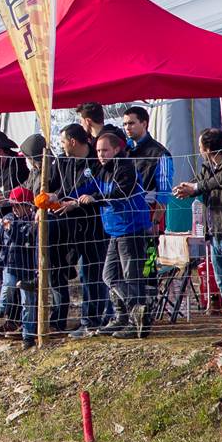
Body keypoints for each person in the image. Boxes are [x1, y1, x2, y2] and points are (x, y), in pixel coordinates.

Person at [70, 126, 151, 336]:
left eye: (104, 150)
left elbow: (121, 192)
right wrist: (66, 197)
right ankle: (121, 316)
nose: (100, 155)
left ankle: (137, 319)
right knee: (110, 275)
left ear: (116, 150)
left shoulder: (126, 168)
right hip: (115, 230)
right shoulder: (102, 169)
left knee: (132, 277)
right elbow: (88, 187)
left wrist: (95, 199)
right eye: (98, 151)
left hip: (131, 228)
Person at [175, 128, 222, 310]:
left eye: (201, 146)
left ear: (208, 148)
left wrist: (195, 187)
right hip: (214, 231)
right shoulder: (208, 165)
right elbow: (200, 181)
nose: (199, 150)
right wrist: (186, 187)